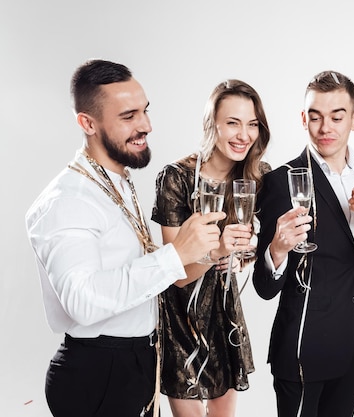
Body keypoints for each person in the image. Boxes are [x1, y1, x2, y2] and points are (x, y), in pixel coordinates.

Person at [25, 59, 225, 417]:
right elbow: (82, 301)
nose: (146, 125)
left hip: (136, 363)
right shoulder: (69, 200)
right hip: (99, 374)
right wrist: (174, 254)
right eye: (128, 116)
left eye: (145, 111)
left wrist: (206, 253)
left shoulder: (115, 180)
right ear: (87, 123)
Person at [252, 70, 354, 417]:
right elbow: (264, 286)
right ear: (303, 119)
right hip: (304, 348)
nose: (325, 128)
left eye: (337, 117)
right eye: (316, 117)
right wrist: (276, 249)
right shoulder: (281, 181)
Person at [151, 79, 271, 417]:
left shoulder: (257, 177)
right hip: (180, 316)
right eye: (233, 122)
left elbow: (268, 242)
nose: (243, 135)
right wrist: (218, 251)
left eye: (252, 124)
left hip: (223, 311)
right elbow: (177, 276)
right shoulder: (176, 178)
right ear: (212, 124)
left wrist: (245, 253)